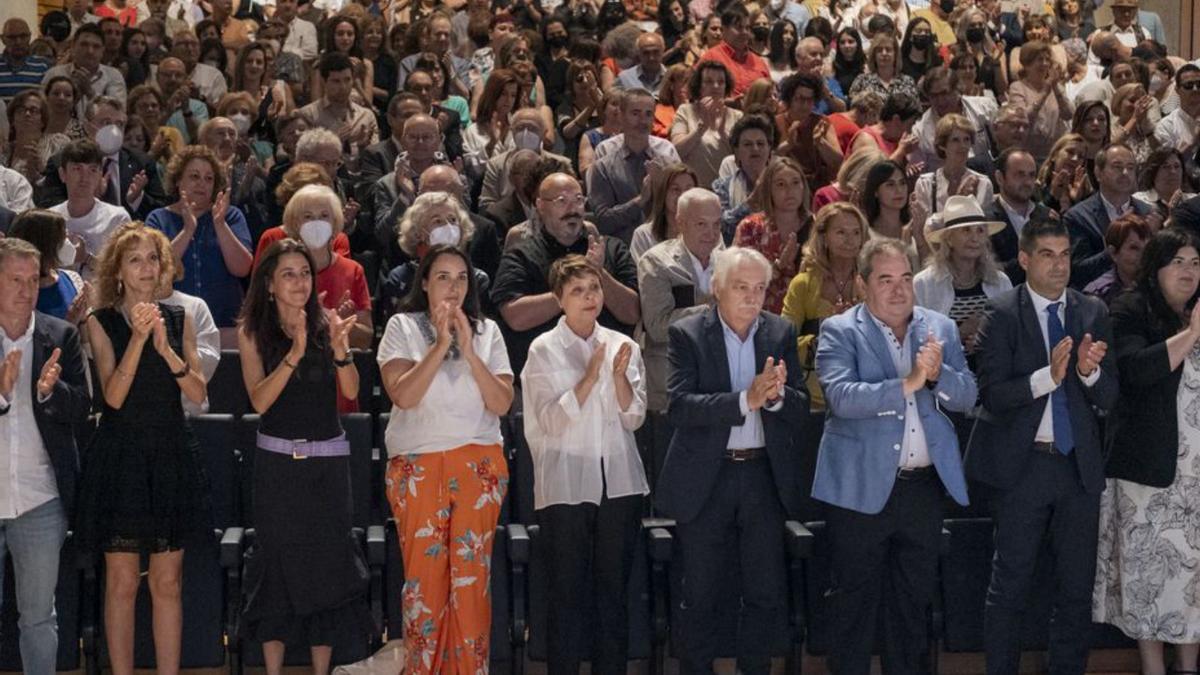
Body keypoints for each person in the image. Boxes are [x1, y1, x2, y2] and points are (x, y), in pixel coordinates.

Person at [815, 236, 977, 675]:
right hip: (859, 490)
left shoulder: (938, 328)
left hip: (922, 488)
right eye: (885, 280)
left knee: (911, 605)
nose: (899, 289)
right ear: (863, 283)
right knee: (853, 605)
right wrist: (909, 381)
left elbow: (967, 395)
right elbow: (841, 398)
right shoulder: (840, 330)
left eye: (906, 277)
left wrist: (937, 374)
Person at [966, 218, 1119, 675]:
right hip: (1022, 468)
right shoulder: (1002, 313)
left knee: (1076, 590)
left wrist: (1089, 374)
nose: (1059, 265)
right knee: (1009, 585)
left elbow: (1110, 396)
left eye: (1066, 254)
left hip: (1077, 468)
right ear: (1027, 259)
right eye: (1048, 255)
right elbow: (991, 394)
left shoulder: (1092, 311)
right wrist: (1045, 378)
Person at [656, 245, 807, 675]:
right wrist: (746, 399)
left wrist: (775, 399)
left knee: (764, 590)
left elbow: (798, 409)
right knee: (700, 591)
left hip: (762, 474)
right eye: (741, 287)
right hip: (708, 475)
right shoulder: (688, 333)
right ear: (716, 288)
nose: (751, 298)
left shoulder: (780, 332)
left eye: (759, 289)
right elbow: (680, 407)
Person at [77, 222, 208, 675]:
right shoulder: (99, 322)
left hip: (170, 452)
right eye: (136, 259)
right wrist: (137, 339)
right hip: (122, 458)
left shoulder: (180, 318)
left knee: (168, 582)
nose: (147, 268)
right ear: (118, 270)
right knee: (123, 582)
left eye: (153, 258)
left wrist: (166, 350)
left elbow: (196, 391)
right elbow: (112, 397)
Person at [236, 238, 370, 675]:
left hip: (327, 465)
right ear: (270, 284)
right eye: (288, 274)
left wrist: (339, 350)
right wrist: (293, 355)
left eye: (305, 274)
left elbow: (351, 392)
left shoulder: (325, 323)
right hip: (277, 466)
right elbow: (259, 400)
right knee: (274, 564)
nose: (299, 282)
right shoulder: (253, 330)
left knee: (327, 564)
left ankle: (321, 670)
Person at [376, 242, 512, 673]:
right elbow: (404, 394)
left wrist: (469, 350)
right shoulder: (402, 326)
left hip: (479, 465)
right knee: (425, 587)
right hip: (419, 464)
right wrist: (439, 344)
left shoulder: (487, 331)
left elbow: (502, 402)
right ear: (425, 284)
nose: (453, 287)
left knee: (472, 585)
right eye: (442, 277)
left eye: (461, 277)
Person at [523, 253, 648, 675]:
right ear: (560, 299)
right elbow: (550, 421)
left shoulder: (623, 344)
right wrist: (589, 377)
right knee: (566, 592)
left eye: (593, 288)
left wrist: (615, 379)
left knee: (613, 591)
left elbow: (635, 418)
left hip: (618, 481)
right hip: (565, 482)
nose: (589, 297)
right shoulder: (543, 349)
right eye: (577, 290)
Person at [1092, 228, 1200, 675]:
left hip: (1196, 478)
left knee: (1192, 584)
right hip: (1149, 476)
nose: (1189, 271)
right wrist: (1191, 334)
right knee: (1150, 581)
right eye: (1178, 262)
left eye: (1195, 262)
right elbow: (1134, 370)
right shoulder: (1130, 309)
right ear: (1155, 268)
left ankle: (1189, 667)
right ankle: (1153, 669)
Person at [0, 233, 91, 675]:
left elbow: (83, 407)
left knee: (38, 617)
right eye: (14, 279)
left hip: (39, 500)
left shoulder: (60, 335)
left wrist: (48, 393)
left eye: (32, 280)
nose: (25, 289)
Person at [491, 173, 640, 376]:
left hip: (610, 374)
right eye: (562, 201)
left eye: (579, 200)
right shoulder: (521, 255)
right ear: (540, 206)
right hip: (547, 375)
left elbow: (632, 313)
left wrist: (598, 273)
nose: (573, 209)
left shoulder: (611, 249)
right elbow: (515, 317)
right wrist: (568, 292)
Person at [637, 187, 724, 480]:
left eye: (717, 224)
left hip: (718, 390)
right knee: (672, 482)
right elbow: (658, 326)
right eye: (701, 224)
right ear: (680, 221)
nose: (711, 233)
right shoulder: (656, 262)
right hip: (671, 391)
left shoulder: (731, 262)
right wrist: (713, 309)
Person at [780, 203, 867, 491]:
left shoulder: (872, 283)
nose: (850, 239)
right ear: (824, 236)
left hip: (863, 399)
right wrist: (822, 336)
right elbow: (782, 341)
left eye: (856, 232)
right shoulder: (803, 284)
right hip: (815, 401)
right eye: (841, 232)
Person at [146, 145, 253, 340]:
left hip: (225, 324)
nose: (202, 184)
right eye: (194, 176)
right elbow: (157, 270)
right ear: (178, 180)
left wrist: (219, 224)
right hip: (173, 326)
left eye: (208, 178)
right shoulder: (158, 218)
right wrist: (188, 230)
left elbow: (242, 268)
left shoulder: (231, 216)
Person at [914, 195, 1013, 360]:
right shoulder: (924, 284)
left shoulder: (1000, 282)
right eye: (966, 230)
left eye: (980, 231)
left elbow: (1012, 336)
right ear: (949, 239)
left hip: (991, 375)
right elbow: (915, 343)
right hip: (943, 378)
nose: (974, 238)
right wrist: (958, 334)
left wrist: (986, 341)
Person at [36, 97, 167, 221]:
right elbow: (48, 211)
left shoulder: (142, 163)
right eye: (106, 123)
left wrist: (138, 199)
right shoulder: (63, 161)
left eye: (119, 124)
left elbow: (162, 212)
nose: (113, 130)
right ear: (87, 126)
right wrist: (88, 198)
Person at [587, 89, 682, 244]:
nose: (643, 121)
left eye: (648, 114)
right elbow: (603, 222)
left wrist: (662, 190)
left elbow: (683, 209)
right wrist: (640, 200)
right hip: (623, 251)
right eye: (635, 113)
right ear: (622, 116)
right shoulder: (603, 166)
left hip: (666, 249)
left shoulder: (668, 160)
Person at [1064, 143, 1155, 290]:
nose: (1125, 172)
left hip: (1143, 295)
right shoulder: (1078, 217)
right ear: (1098, 173)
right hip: (1096, 299)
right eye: (1117, 167)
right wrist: (1115, 246)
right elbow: (1076, 272)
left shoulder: (1148, 213)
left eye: (1131, 168)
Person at [733, 157, 812, 313]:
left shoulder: (818, 227)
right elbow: (739, 280)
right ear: (769, 190)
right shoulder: (751, 228)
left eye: (796, 183)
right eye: (781, 184)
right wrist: (778, 266)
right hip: (760, 316)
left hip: (807, 317)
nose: (790, 190)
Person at [47, 139, 133, 278]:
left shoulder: (117, 218)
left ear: (100, 175)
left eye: (92, 170)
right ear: (62, 174)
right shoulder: (49, 218)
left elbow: (126, 272)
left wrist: (86, 258)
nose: (84, 177)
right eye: (77, 169)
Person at [669, 60, 743, 191]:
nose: (715, 86)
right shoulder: (685, 111)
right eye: (709, 81)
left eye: (721, 82)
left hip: (728, 191)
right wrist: (701, 128)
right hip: (693, 191)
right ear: (699, 86)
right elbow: (676, 151)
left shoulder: (737, 116)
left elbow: (743, 158)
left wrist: (722, 134)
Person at [478, 109, 571, 211]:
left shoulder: (560, 164)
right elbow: (485, 205)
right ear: (512, 131)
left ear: (544, 132)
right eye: (520, 128)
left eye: (532, 128)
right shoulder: (496, 164)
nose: (525, 133)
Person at [7, 210, 90, 323]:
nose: (68, 244)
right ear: (45, 245)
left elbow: (85, 335)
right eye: (62, 238)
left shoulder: (72, 279)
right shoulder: (11, 292)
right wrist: (69, 323)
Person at [988, 148, 1056, 283]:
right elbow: (990, 271)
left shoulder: (1048, 217)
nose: (1027, 182)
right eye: (1020, 175)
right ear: (1000, 178)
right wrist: (1035, 257)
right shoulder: (986, 220)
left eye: (1031, 175)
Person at [913, 113, 995, 222]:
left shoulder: (983, 183)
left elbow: (985, 226)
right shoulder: (925, 184)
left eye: (966, 139)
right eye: (955, 140)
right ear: (942, 145)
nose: (963, 146)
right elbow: (923, 226)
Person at [297, 52, 380, 154]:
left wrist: (363, 147)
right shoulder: (308, 115)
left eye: (347, 80)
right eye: (336, 81)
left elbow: (376, 159)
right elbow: (304, 157)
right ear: (324, 81)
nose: (343, 87)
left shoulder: (366, 116)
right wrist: (333, 141)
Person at [1007, 41, 1074, 164]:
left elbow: (1069, 114)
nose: (1044, 64)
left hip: (1054, 155)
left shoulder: (1056, 87)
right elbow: (1022, 118)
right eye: (1039, 59)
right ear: (1027, 64)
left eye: (1047, 59)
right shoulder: (1017, 87)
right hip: (1028, 155)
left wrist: (1055, 88)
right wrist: (1044, 93)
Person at [775, 73, 844, 192]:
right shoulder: (776, 122)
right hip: (785, 185)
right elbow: (769, 160)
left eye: (810, 100)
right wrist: (789, 144)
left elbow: (837, 162)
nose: (806, 105)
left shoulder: (822, 122)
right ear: (790, 98)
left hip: (817, 187)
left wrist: (820, 143)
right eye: (801, 99)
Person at [40, 25, 126, 118]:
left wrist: (90, 92)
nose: (90, 51)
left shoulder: (113, 76)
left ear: (103, 50)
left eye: (96, 46)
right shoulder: (54, 74)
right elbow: (43, 112)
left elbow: (118, 114)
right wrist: (73, 94)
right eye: (84, 45)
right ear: (73, 46)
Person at [713, 115, 773, 236]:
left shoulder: (782, 183)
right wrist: (750, 203)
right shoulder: (722, 186)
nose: (755, 148)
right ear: (736, 152)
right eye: (748, 144)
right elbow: (720, 227)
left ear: (769, 149)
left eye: (760, 143)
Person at [630, 164, 698, 262]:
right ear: (663, 194)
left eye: (689, 189)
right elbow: (640, 274)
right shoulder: (643, 235)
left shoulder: (708, 231)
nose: (682, 195)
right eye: (675, 189)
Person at [698, 4, 770, 97]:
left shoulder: (759, 62)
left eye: (747, 28)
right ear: (724, 29)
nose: (744, 32)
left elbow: (770, 94)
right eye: (739, 27)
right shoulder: (710, 58)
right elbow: (695, 94)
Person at [1081, 213, 1152, 306]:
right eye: (1134, 248)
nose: (1144, 254)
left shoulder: (1160, 287)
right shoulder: (1097, 295)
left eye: (1147, 247)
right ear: (1113, 253)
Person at [849, 34, 919, 104]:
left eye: (888, 50)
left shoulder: (908, 82)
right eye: (879, 50)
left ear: (896, 54)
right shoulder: (861, 81)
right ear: (874, 55)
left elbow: (916, 111)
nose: (884, 53)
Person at [1154, 65, 1200, 155]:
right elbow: (1168, 164)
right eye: (1188, 85)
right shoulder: (1166, 126)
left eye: (1199, 84)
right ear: (1177, 90)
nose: (1195, 89)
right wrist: (1194, 140)